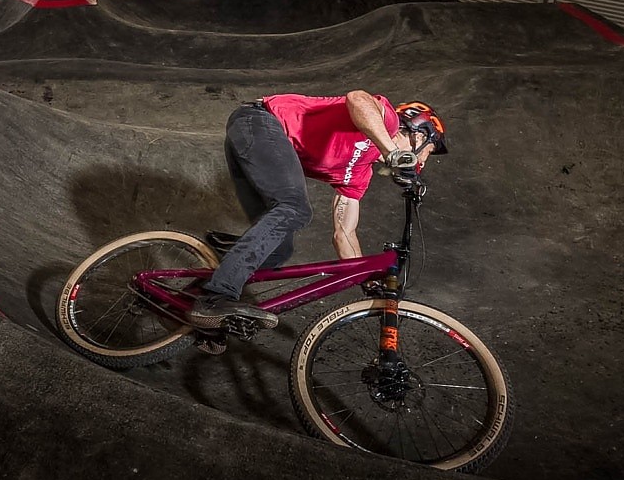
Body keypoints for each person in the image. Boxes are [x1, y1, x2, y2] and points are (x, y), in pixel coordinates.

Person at [189, 90, 448, 329]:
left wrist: (366, 280)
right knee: (294, 207)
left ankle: (195, 301)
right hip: (258, 122)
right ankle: (215, 298)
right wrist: (392, 152)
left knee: (278, 249)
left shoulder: (359, 175)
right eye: (428, 152)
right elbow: (357, 98)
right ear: (418, 134)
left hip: (255, 146)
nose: (423, 162)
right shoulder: (386, 120)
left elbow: (344, 232)